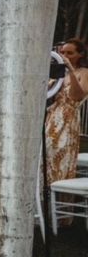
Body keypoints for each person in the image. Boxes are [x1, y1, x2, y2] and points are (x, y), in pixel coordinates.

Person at [45, 38, 88, 225]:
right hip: (52, 118)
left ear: (80, 55)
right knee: (46, 161)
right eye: (63, 52)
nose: (65, 56)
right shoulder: (58, 74)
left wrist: (70, 70)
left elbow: (78, 96)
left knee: (62, 163)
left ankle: (63, 215)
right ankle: (47, 209)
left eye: (70, 52)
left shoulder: (84, 72)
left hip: (68, 121)